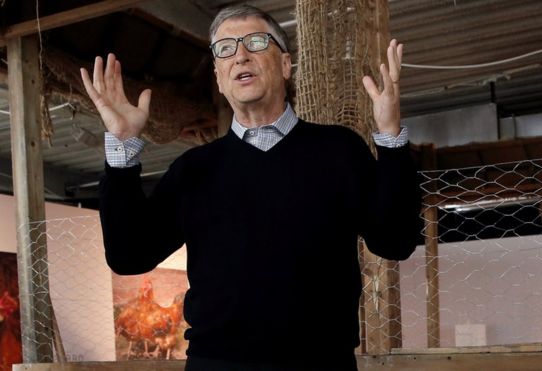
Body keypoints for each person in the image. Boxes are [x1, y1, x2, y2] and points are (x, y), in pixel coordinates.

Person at [80, 4, 420, 371]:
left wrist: (390, 140)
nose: (240, 54)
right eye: (225, 48)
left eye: (256, 42)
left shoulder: (339, 150)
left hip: (321, 363)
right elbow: (129, 255)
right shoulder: (193, 170)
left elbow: (395, 241)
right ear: (219, 77)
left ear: (286, 65)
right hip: (218, 364)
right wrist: (121, 149)